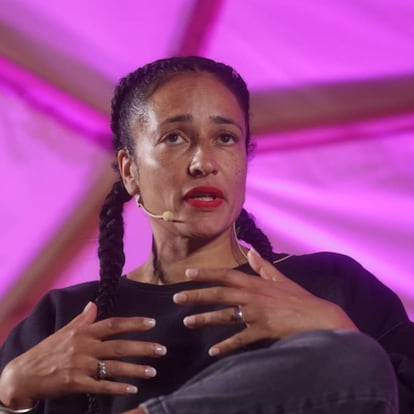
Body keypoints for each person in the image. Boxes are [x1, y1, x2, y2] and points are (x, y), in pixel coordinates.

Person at [0, 56, 413, 414]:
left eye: (225, 138)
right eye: (174, 137)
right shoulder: (64, 319)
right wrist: (11, 393)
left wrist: (333, 325)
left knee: (351, 357)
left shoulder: (332, 284)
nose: (203, 162)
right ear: (129, 170)